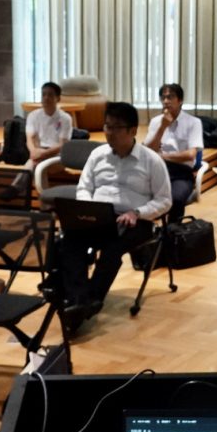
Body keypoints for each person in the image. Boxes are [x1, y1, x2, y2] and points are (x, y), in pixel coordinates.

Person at [60, 102, 172, 328]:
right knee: (69, 239)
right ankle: (77, 299)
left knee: (112, 247)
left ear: (132, 131)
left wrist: (137, 212)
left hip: (135, 221)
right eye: (107, 126)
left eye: (116, 128)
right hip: (97, 216)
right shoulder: (98, 154)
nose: (109, 133)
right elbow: (84, 187)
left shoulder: (151, 161)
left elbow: (164, 200)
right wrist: (88, 209)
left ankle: (92, 299)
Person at [144, 83, 202, 222]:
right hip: (157, 170)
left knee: (175, 199)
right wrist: (162, 127)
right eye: (163, 98)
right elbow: (148, 150)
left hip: (181, 173)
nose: (165, 101)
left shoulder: (193, 122)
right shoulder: (156, 122)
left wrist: (162, 156)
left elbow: (190, 155)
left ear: (180, 100)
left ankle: (173, 234)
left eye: (170, 97)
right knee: (137, 194)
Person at [24, 81, 72, 175]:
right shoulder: (33, 115)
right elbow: (29, 138)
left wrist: (43, 154)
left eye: (50, 95)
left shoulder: (65, 118)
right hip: (37, 154)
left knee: (37, 168)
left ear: (58, 98)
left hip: (57, 156)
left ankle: (16, 188)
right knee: (30, 167)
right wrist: (33, 152)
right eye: (43, 95)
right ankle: (16, 188)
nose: (46, 98)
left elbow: (62, 144)